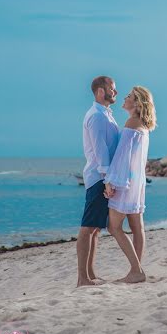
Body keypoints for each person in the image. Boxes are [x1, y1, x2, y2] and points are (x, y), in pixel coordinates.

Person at [104, 85, 156, 284]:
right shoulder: (143, 124)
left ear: (137, 102)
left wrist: (110, 181)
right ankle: (137, 269)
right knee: (137, 226)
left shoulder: (131, 123)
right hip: (137, 182)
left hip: (126, 182)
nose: (124, 98)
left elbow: (122, 158)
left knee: (114, 227)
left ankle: (136, 270)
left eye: (129, 96)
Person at [76, 76, 119, 287]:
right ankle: (82, 278)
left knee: (95, 229)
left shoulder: (106, 114)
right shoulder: (96, 116)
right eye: (113, 89)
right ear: (101, 91)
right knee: (87, 228)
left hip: (104, 178)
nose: (116, 93)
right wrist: (107, 180)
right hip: (98, 178)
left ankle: (91, 274)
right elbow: (100, 151)